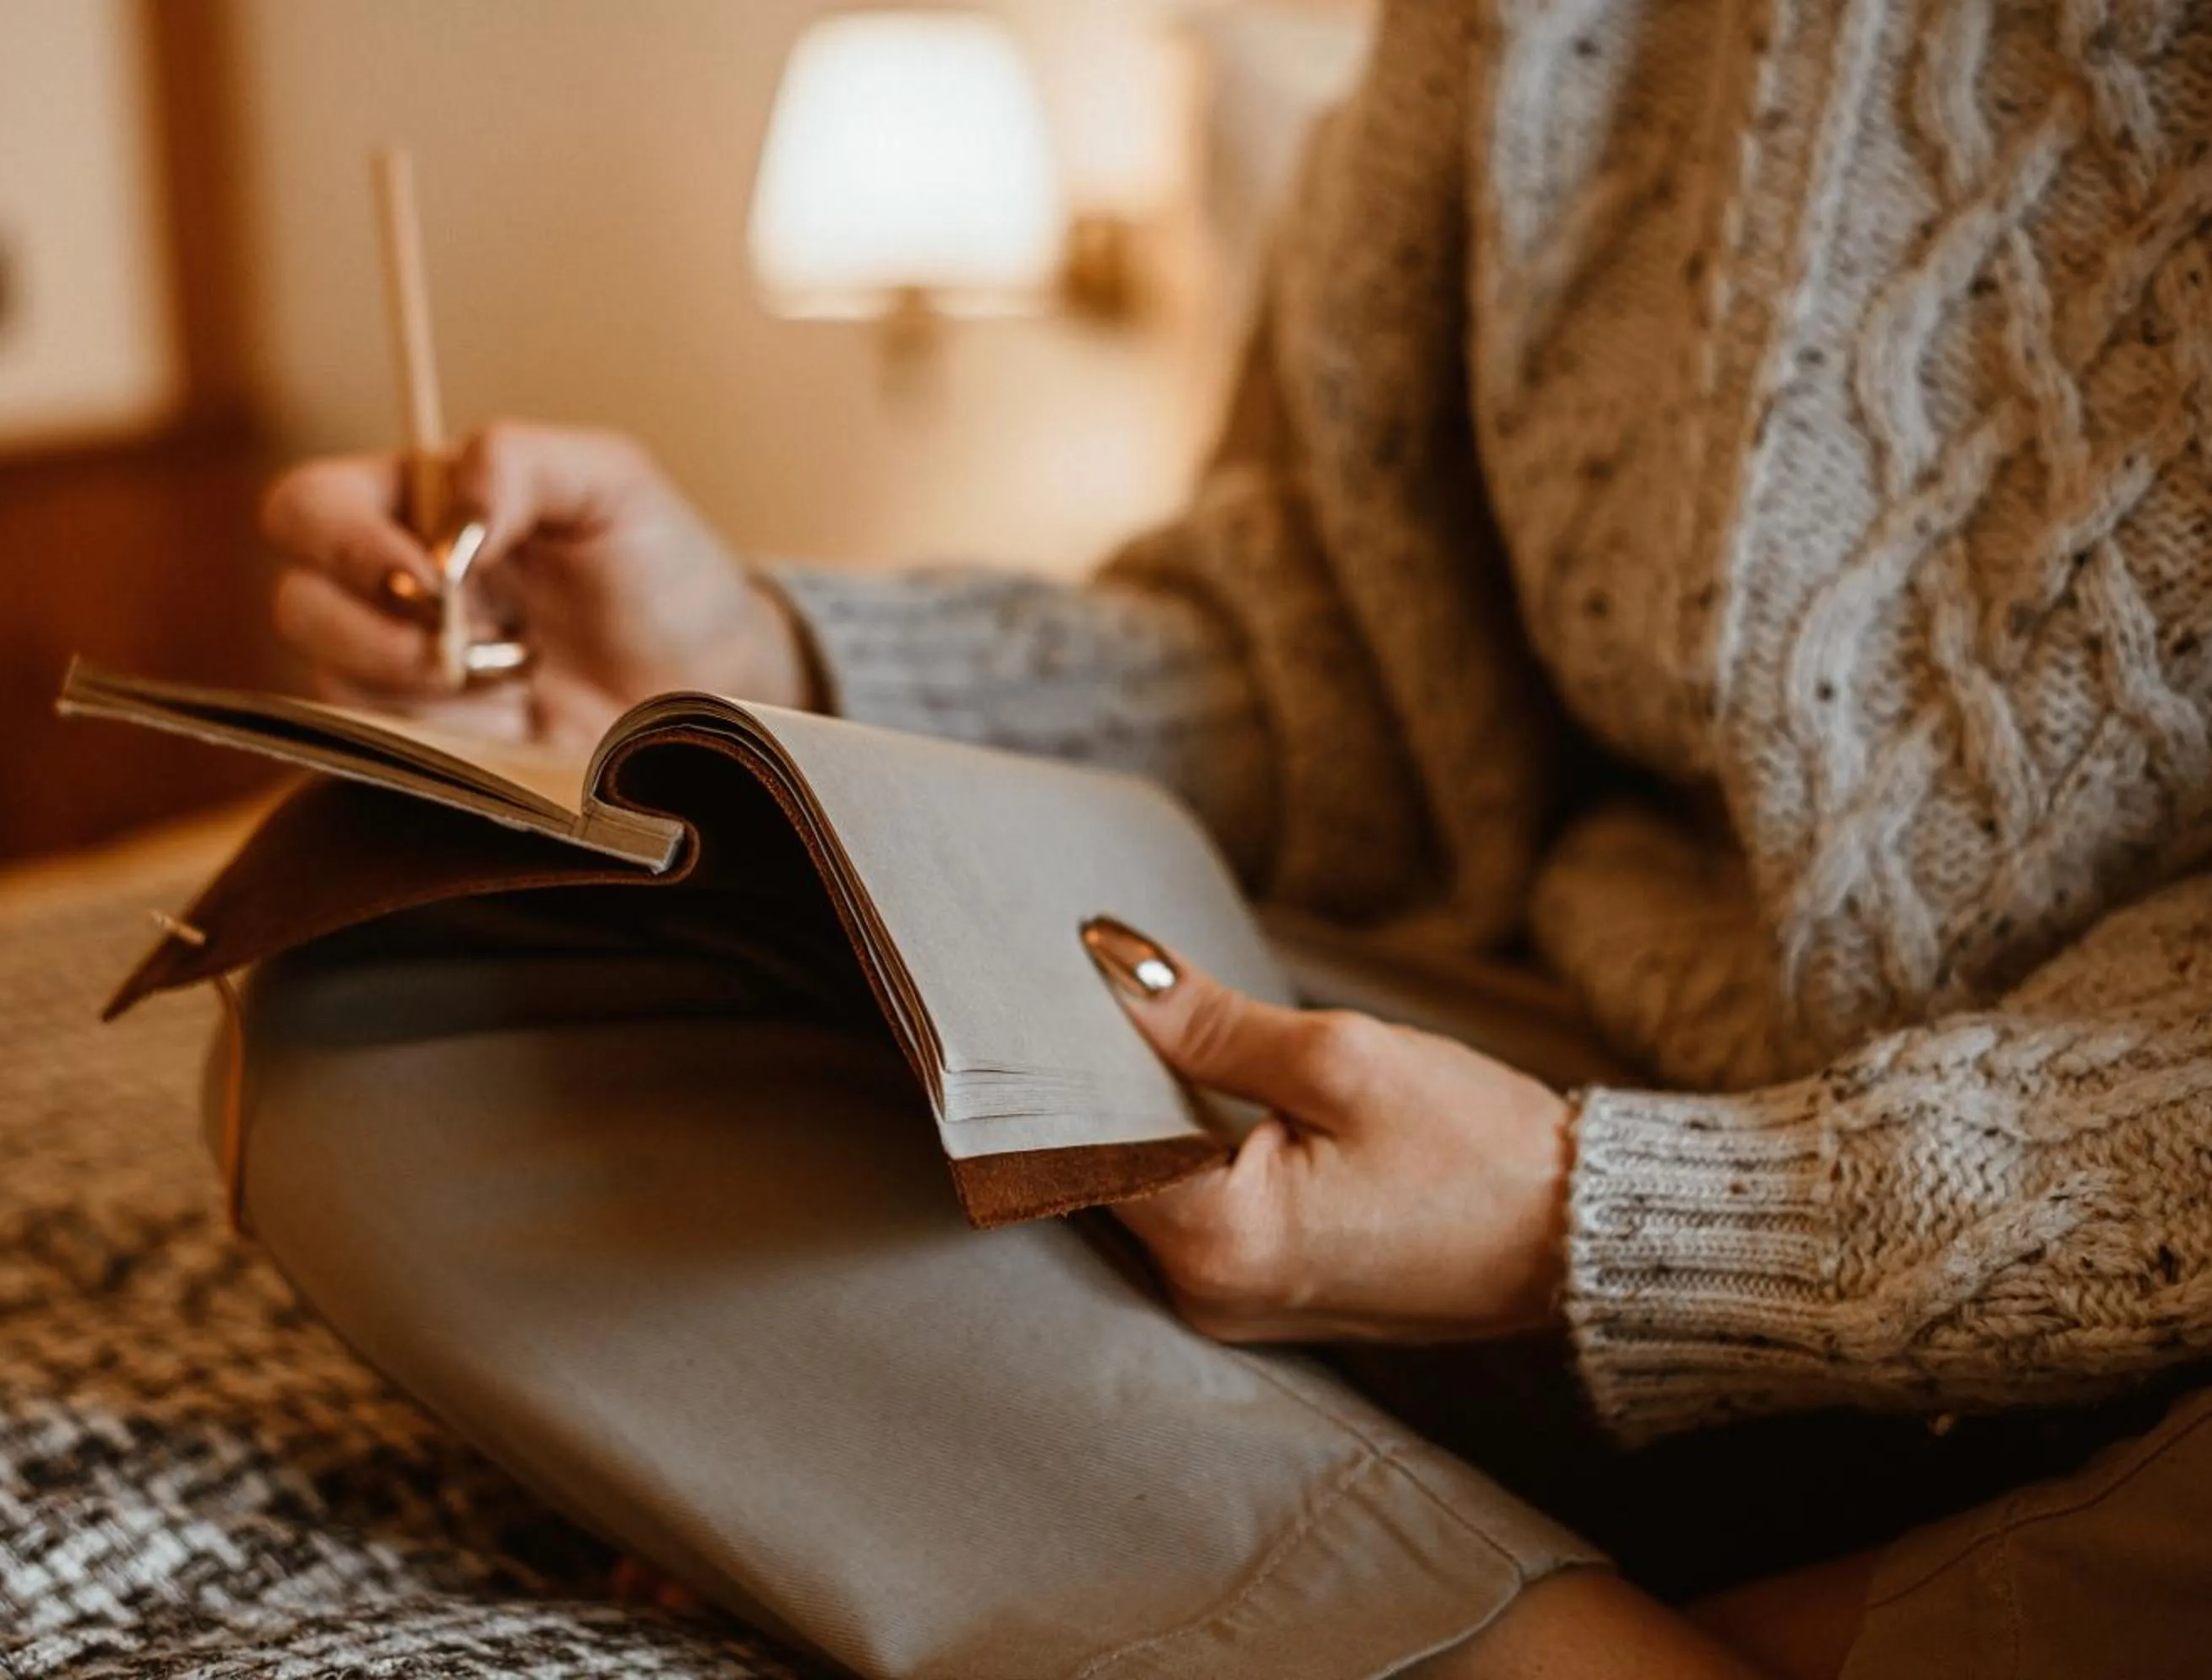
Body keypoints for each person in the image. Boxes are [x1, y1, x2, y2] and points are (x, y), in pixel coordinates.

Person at [256, 3, 2212, 1674]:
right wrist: (764, 652)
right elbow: (1351, 673)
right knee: (408, 997)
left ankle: (1331, 1575)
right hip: (1525, 1090)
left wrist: (1604, 1222)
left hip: (2123, 1316)